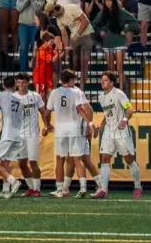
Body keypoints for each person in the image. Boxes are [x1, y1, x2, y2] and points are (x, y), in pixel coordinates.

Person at [44, 69, 101, 198]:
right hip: (75, 128)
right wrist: (89, 124)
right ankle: (82, 187)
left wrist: (47, 125)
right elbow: (82, 109)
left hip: (60, 128)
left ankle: (60, 189)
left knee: (60, 159)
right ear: (71, 80)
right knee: (77, 159)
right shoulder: (76, 92)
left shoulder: (54, 92)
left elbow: (47, 113)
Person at [94, 72, 143, 199]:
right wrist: (101, 126)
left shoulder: (119, 94)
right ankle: (103, 189)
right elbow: (107, 113)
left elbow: (130, 109)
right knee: (104, 159)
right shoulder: (101, 97)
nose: (102, 83)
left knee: (129, 160)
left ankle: (138, 187)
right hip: (108, 132)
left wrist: (124, 120)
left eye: (105, 80)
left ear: (111, 82)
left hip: (121, 131)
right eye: (102, 80)